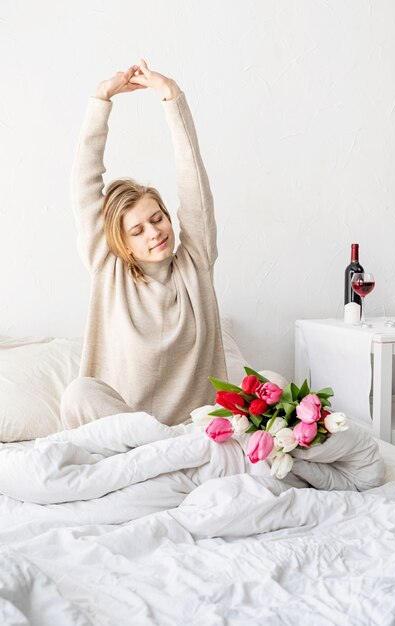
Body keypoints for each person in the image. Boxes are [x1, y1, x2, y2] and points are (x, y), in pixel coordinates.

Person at [60, 60, 228, 429]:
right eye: (137, 231)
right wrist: (101, 99)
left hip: (191, 431)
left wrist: (171, 97)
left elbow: (193, 184)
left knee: (272, 384)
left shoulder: (195, 264)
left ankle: (167, 451)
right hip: (125, 435)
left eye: (157, 219)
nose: (154, 233)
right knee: (78, 394)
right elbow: (84, 186)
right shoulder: (107, 268)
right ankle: (157, 450)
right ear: (122, 243)